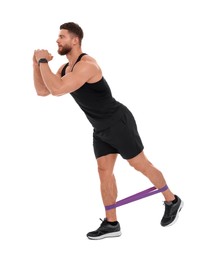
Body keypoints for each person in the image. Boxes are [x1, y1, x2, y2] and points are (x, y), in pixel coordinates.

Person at [33, 22, 183, 240]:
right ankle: (112, 223)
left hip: (117, 122)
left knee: (140, 165)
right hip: (100, 128)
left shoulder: (87, 65)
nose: (58, 40)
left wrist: (43, 60)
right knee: (104, 172)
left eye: (62, 36)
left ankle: (172, 200)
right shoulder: (65, 69)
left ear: (75, 40)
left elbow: (57, 90)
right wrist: (35, 64)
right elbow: (42, 91)